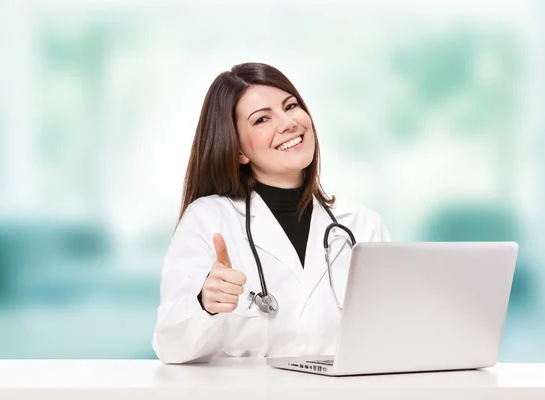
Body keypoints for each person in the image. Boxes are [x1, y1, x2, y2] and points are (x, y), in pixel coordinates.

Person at [152, 62, 390, 364]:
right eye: (262, 119)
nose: (287, 122)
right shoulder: (208, 219)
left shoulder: (362, 225)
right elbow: (171, 348)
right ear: (238, 150)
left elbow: (390, 338)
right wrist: (205, 305)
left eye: (290, 106)